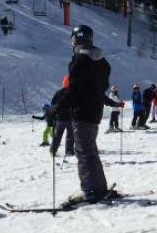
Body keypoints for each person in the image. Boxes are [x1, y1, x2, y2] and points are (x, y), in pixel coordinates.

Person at [56, 25, 124, 205]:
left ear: (76, 40)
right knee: (90, 150)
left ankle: (89, 190)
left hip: (82, 113)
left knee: (84, 152)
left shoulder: (80, 60)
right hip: (94, 113)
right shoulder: (102, 62)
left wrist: (58, 107)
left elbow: (75, 90)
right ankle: (98, 187)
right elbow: (99, 89)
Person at [50, 75, 75, 157]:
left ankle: (53, 150)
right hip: (70, 119)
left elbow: (53, 104)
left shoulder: (58, 92)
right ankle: (69, 151)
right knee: (70, 136)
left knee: (57, 136)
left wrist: (55, 113)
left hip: (60, 119)